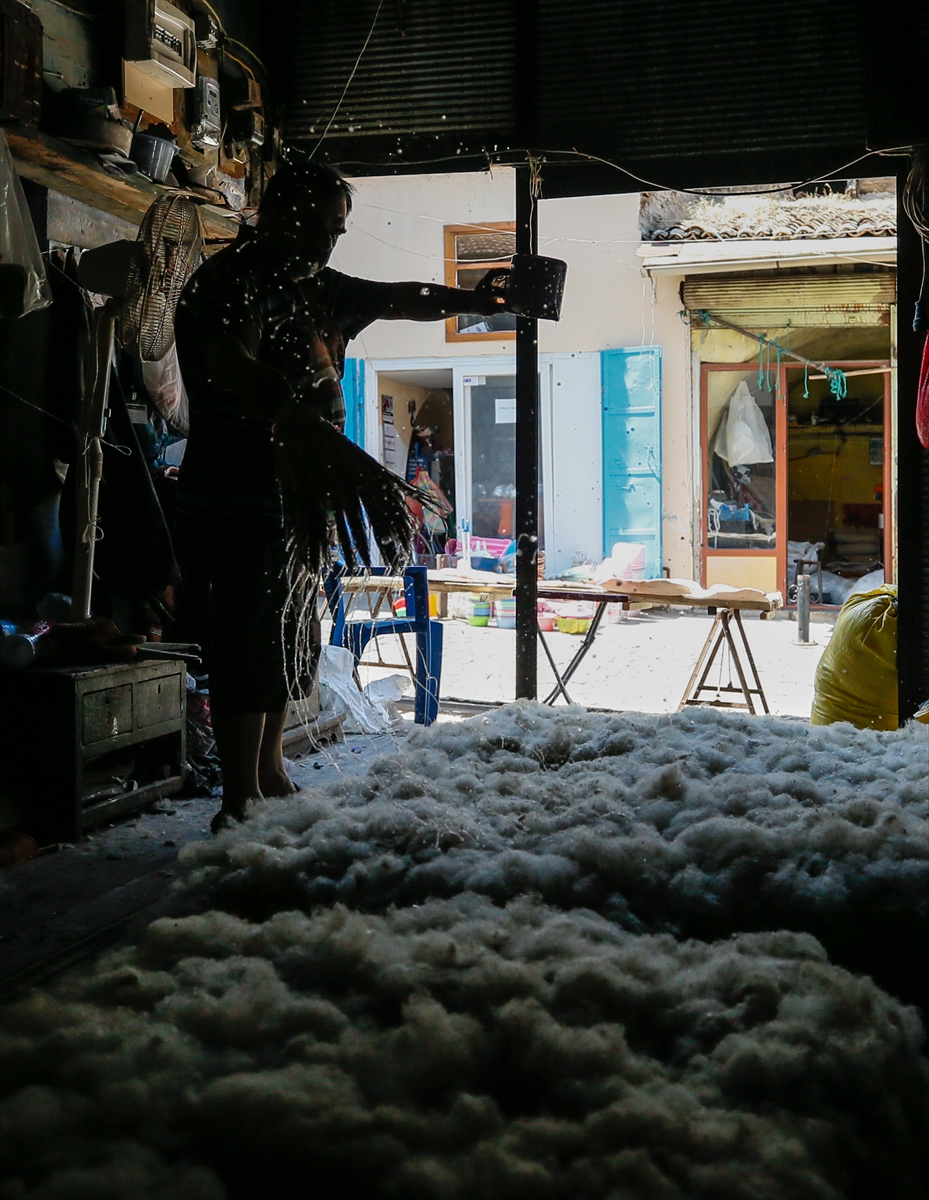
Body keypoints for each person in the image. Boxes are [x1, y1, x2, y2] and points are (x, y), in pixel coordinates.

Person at [174, 162, 509, 831]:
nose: (328, 242)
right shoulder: (231, 282)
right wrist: (287, 411)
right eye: (318, 226)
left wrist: (477, 301)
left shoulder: (315, 287)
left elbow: (401, 297)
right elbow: (228, 361)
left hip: (300, 491)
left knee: (291, 629)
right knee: (248, 635)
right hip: (240, 488)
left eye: (336, 230)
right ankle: (238, 798)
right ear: (274, 213)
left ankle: (270, 769)